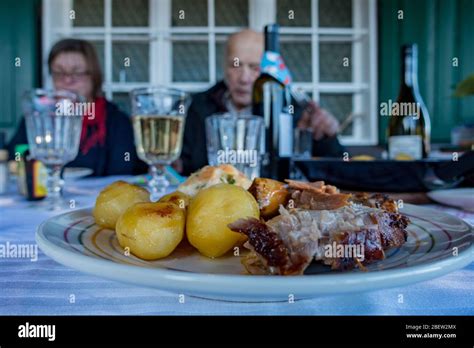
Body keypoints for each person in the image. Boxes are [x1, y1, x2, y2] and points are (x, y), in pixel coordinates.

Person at [179, 29, 344, 176]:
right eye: (235, 65)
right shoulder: (197, 107)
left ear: (269, 71)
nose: (244, 78)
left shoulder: (289, 109)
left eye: (254, 68)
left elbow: (336, 168)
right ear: (224, 66)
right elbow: (181, 167)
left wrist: (326, 137)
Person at [7, 39, 146, 176]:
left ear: (94, 76)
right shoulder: (39, 117)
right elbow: (15, 156)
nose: (67, 80)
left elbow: (122, 172)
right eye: (59, 73)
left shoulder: (116, 121)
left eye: (77, 73)